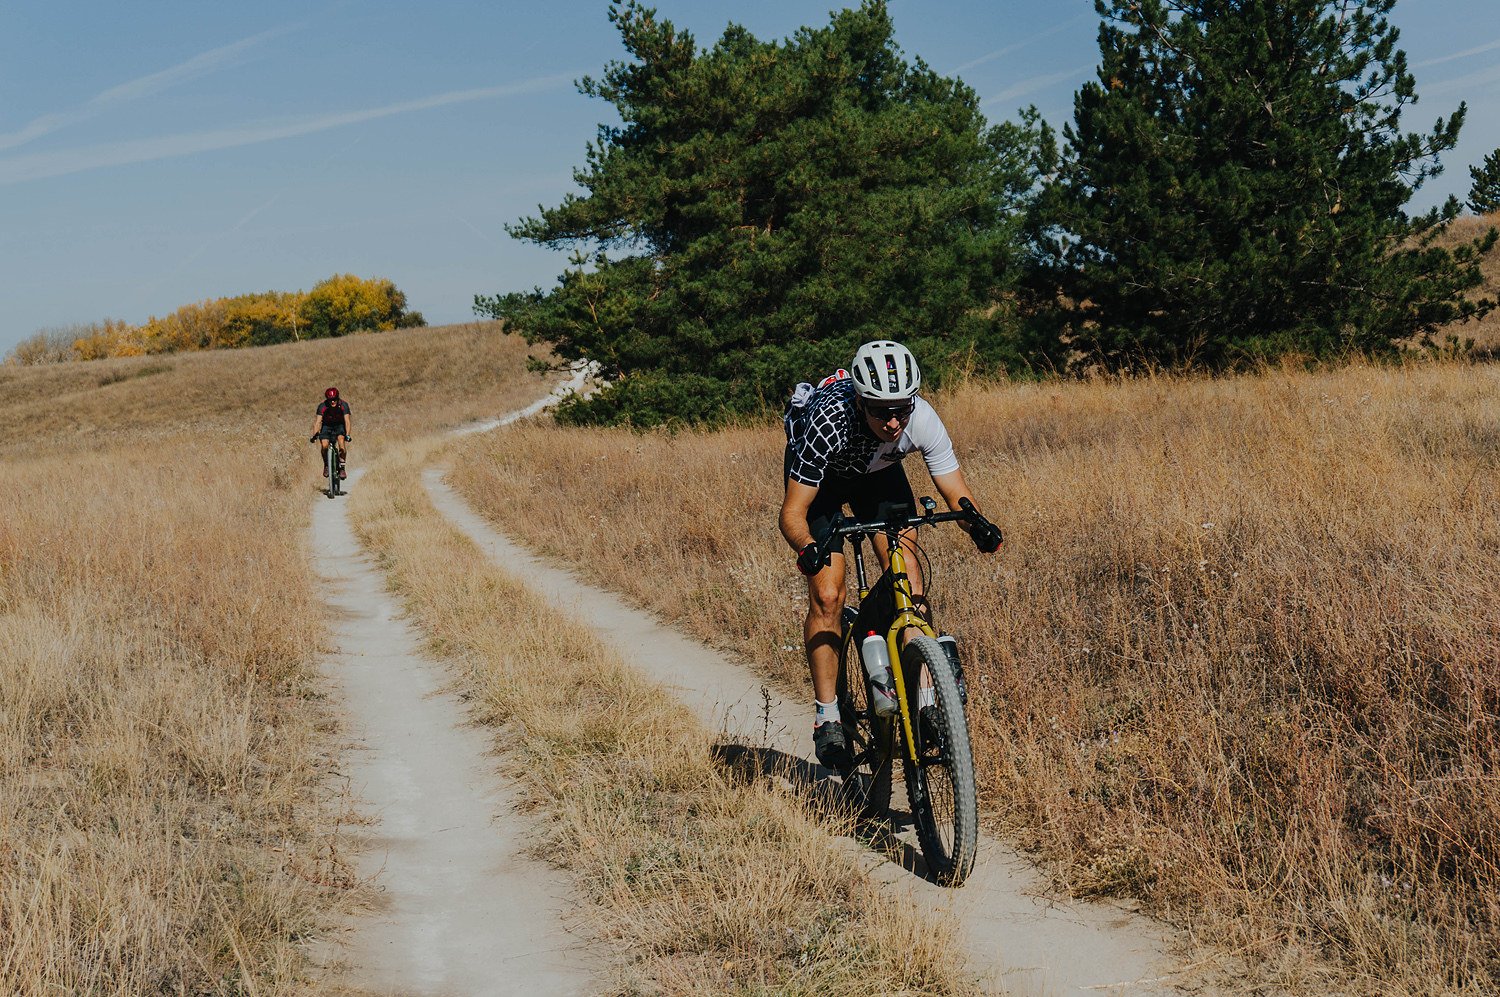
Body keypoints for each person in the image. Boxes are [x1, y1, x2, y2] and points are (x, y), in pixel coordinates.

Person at [778, 341, 1003, 771]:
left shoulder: (921, 419)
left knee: (909, 573)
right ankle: (828, 715)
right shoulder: (829, 422)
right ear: (860, 401)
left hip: (878, 478)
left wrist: (978, 525)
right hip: (823, 484)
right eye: (881, 411)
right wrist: (807, 549)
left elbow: (955, 492)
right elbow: (792, 514)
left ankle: (923, 701)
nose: (895, 421)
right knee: (828, 593)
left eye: (902, 408)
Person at [310, 387, 352, 477]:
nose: (332, 402)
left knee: (341, 444)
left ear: (337, 398)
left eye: (334, 399)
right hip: (327, 425)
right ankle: (326, 465)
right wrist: (314, 436)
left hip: (339, 425)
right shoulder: (322, 406)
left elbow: (347, 421)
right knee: (324, 446)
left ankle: (342, 468)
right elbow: (317, 422)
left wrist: (347, 435)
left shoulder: (343, 405)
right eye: (330, 400)